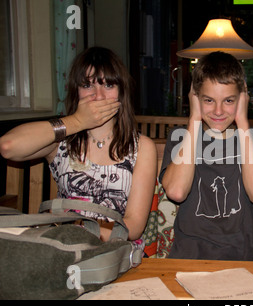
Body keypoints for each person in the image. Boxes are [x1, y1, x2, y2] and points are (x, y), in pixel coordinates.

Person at [0, 47, 157, 242]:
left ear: (121, 93)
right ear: (76, 91)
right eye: (87, 85)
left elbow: (133, 226)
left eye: (108, 85)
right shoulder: (61, 141)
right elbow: (8, 146)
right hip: (64, 249)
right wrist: (77, 122)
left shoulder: (141, 147)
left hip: (113, 252)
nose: (98, 96)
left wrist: (84, 236)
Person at [159, 51, 253, 261]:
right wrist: (195, 118)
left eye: (229, 100)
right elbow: (177, 192)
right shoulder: (180, 137)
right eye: (208, 100)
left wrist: (242, 122)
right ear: (195, 97)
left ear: (242, 98)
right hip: (190, 257)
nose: (219, 110)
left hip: (246, 257)